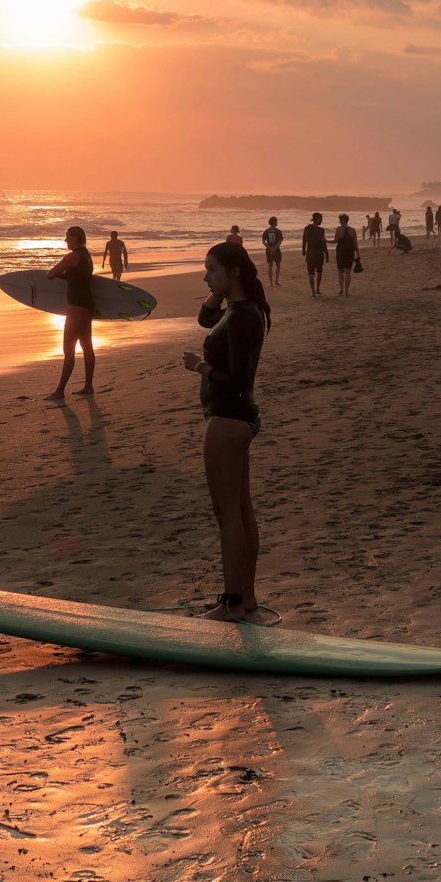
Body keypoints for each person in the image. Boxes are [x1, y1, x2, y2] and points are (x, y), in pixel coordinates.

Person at [182, 242, 270, 622]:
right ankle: (246, 599)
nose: (206, 276)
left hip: (228, 420)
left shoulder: (242, 317)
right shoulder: (238, 311)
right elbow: (205, 320)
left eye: (213, 270)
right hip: (236, 420)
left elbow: (235, 380)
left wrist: (200, 367)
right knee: (241, 511)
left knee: (227, 516)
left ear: (234, 271)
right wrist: (214, 292)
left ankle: (232, 603)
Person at [45, 226, 95, 400]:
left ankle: (59, 392)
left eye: (68, 237)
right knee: (87, 348)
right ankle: (88, 386)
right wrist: (66, 276)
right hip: (87, 306)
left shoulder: (72, 256)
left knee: (69, 350)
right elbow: (80, 277)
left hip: (76, 308)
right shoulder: (86, 256)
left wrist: (56, 274)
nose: (65, 240)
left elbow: (50, 274)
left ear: (75, 238)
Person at [302, 212, 329, 296]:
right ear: (317, 219)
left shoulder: (307, 228)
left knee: (311, 273)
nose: (322, 220)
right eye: (321, 219)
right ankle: (317, 289)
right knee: (319, 272)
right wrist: (326, 254)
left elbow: (304, 240)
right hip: (319, 254)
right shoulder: (321, 230)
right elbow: (323, 243)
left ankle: (313, 292)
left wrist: (303, 250)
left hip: (310, 254)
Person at [333, 214, 359, 296]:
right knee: (347, 271)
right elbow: (355, 244)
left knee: (340, 271)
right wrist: (358, 254)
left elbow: (335, 241)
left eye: (340, 220)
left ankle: (341, 288)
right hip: (350, 252)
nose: (339, 221)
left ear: (342, 221)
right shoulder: (353, 230)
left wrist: (326, 241)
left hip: (340, 252)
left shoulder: (339, 229)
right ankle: (346, 291)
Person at [261, 217, 284, 286]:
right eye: (276, 221)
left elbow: (263, 242)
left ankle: (271, 283)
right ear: (275, 222)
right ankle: (276, 281)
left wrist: (270, 248)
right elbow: (280, 241)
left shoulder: (266, 231)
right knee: (278, 265)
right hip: (276, 250)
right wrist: (274, 248)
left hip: (269, 250)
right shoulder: (278, 231)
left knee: (270, 266)